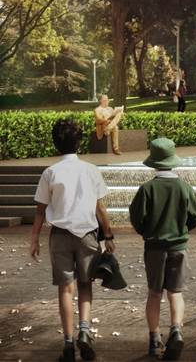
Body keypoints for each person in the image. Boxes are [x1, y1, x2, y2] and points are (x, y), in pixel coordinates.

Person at [29, 118, 115, 362]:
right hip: (87, 234)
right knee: (85, 284)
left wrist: (34, 239)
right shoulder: (90, 169)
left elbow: (39, 211)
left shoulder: (50, 172)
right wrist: (107, 235)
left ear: (56, 144)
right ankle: (85, 332)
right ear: (80, 142)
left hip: (60, 236)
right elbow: (101, 209)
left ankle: (68, 343)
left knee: (66, 289)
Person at [129, 138, 196, 361]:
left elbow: (136, 217)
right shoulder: (184, 187)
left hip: (154, 248)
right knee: (176, 293)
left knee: (154, 293)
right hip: (178, 246)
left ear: (153, 162)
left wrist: (148, 232)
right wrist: (182, 229)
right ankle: (176, 330)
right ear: (173, 160)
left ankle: (153, 340)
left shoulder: (147, 189)